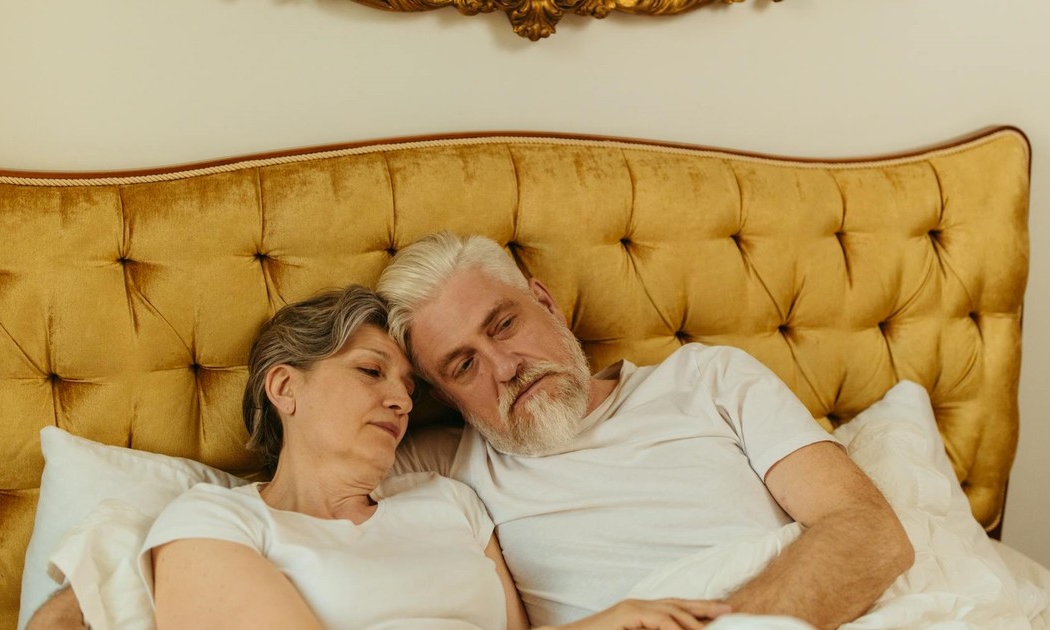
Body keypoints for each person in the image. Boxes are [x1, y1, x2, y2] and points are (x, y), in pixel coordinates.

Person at [29, 285, 727, 630]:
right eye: (370, 372)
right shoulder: (213, 522)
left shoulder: (450, 501)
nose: (398, 399)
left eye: (409, 387)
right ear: (285, 388)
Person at [376, 233, 916, 630]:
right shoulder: (439, 470)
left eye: (504, 324)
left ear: (546, 303)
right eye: (464, 365)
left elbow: (869, 533)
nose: (505, 367)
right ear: (445, 397)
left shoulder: (709, 379)